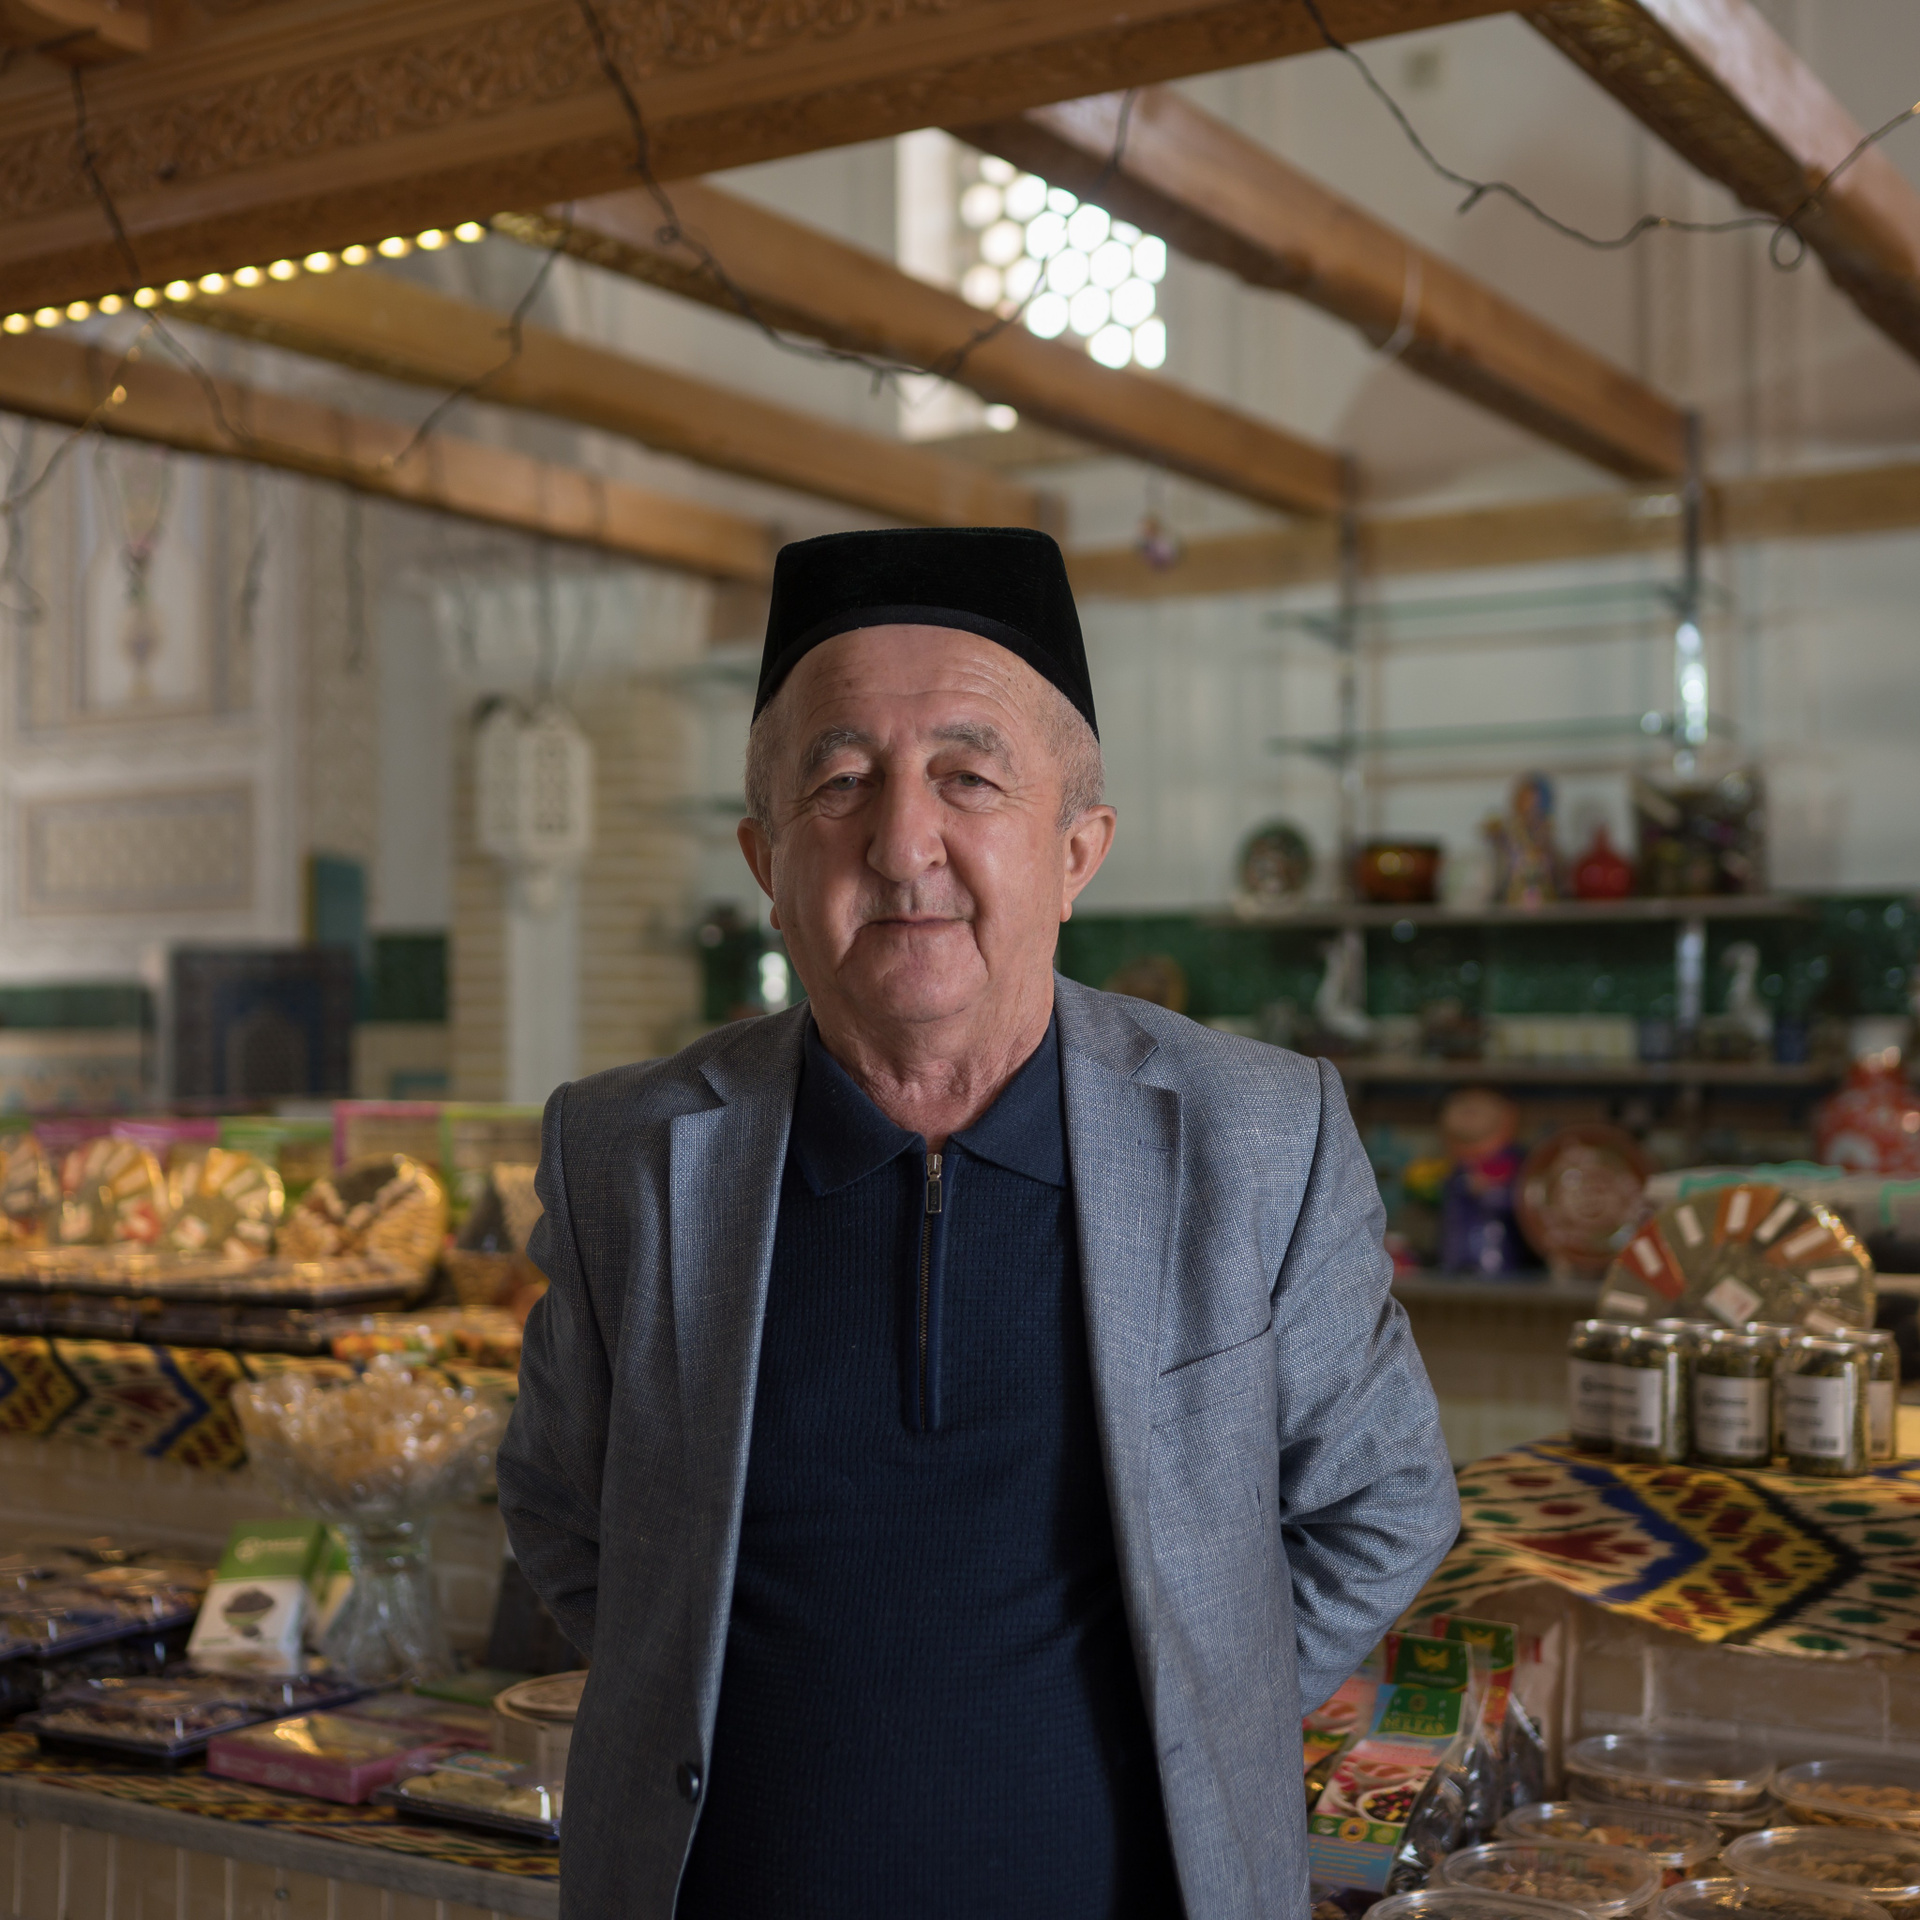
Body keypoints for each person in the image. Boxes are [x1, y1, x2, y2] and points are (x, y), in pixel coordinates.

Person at [497, 526, 1459, 1920]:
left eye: (970, 777)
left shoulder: (1258, 1138)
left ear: (1077, 851)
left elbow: (1385, 1501)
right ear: (767, 860)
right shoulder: (629, 1157)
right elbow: (563, 1509)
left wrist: (1194, 1707)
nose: (903, 845)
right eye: (840, 782)